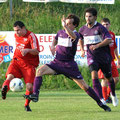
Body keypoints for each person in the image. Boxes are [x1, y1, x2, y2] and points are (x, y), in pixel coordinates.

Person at [24, 14, 111, 112]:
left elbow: (72, 36)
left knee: (85, 86)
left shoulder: (76, 34)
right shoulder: (60, 32)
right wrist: (52, 46)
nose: (67, 25)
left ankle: (101, 104)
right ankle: (35, 95)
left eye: (69, 24)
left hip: (69, 65)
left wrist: (65, 27)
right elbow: (55, 40)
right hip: (57, 62)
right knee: (39, 70)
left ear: (75, 25)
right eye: (66, 23)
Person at [79, 7, 118, 107]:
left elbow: (109, 40)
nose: (88, 18)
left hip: (104, 57)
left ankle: (113, 94)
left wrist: (97, 45)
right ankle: (101, 98)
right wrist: (82, 49)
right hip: (92, 58)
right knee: (94, 75)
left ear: (95, 17)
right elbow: (80, 38)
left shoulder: (100, 28)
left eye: (90, 16)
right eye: (86, 16)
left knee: (109, 78)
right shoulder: (83, 29)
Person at [1, 21, 40, 112]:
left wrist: (27, 50)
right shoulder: (16, 35)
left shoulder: (31, 36)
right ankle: (4, 91)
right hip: (17, 61)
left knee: (30, 87)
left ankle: (26, 105)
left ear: (24, 28)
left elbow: (36, 51)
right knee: (10, 76)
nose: (16, 32)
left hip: (29, 65)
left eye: (18, 30)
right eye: (15, 30)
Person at [98, 18, 120, 103]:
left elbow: (114, 48)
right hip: (102, 60)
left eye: (107, 24)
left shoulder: (112, 34)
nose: (105, 26)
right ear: (101, 25)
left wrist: (118, 59)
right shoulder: (99, 35)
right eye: (103, 24)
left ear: (109, 25)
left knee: (116, 79)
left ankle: (108, 94)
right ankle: (105, 98)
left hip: (111, 60)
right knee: (104, 79)